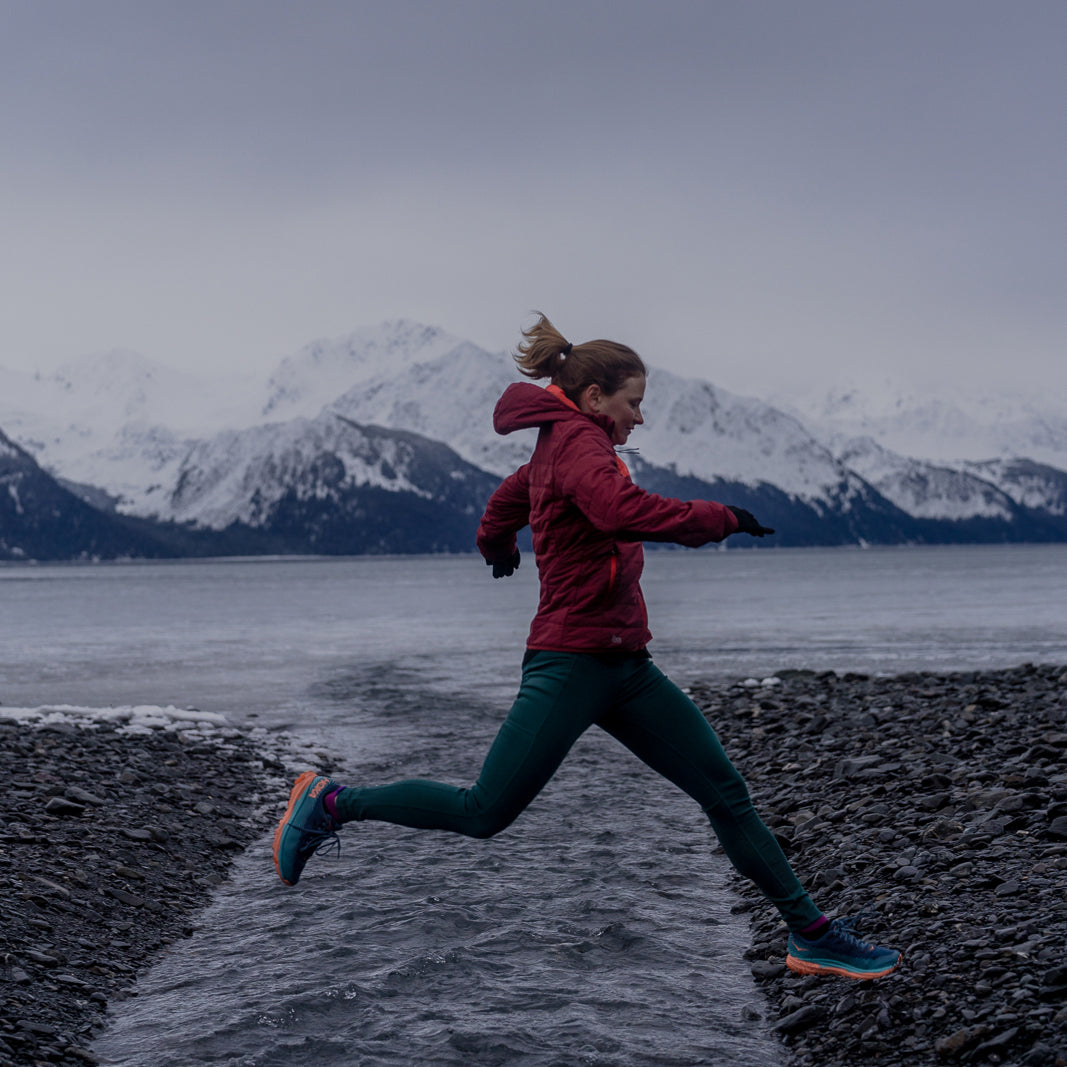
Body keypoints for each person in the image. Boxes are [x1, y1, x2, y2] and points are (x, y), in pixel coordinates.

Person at [273, 314, 900, 981]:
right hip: (571, 663)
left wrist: (496, 544)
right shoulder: (578, 444)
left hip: (625, 665)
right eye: (634, 402)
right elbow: (618, 511)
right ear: (595, 396)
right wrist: (718, 518)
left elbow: (508, 498)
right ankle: (331, 802)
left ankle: (811, 933)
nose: (639, 417)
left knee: (724, 792)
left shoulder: (563, 446)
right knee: (484, 811)